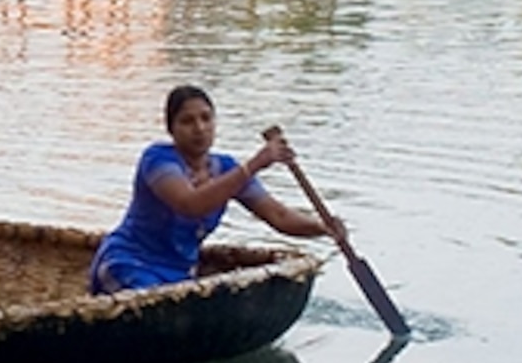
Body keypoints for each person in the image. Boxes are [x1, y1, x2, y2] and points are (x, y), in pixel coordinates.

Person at [88, 85, 341, 292]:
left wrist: (322, 227)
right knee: (153, 302)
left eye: (206, 118)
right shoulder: (157, 160)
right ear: (171, 129)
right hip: (129, 261)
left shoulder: (225, 168)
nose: (199, 128)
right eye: (187, 121)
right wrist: (253, 165)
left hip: (179, 274)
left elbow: (278, 216)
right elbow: (189, 204)